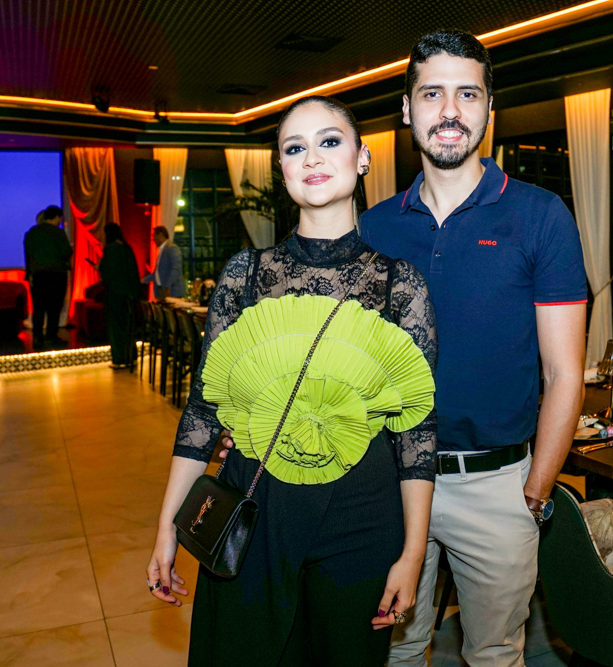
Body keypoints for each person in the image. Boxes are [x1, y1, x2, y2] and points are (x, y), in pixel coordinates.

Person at [146, 96, 438, 666]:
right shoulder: (244, 275)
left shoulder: (401, 286)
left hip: (362, 515)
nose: (313, 158)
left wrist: (412, 552)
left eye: (329, 141)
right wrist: (167, 526)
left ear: (362, 157)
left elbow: (417, 434)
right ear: (282, 170)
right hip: (254, 507)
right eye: (294, 148)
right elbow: (202, 413)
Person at [362, 30, 587, 667]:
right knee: (395, 653)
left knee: (493, 654)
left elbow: (564, 374)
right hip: (391, 479)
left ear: (491, 107)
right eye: (432, 93)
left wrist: (534, 493)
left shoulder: (541, 216)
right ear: (407, 109)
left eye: (467, 93)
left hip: (498, 487)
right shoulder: (374, 226)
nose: (450, 110)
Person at [23, 205, 72, 348]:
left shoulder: (32, 233)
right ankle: (51, 336)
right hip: (57, 274)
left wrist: (30, 274)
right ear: (56, 217)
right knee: (54, 307)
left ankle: (37, 337)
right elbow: (67, 252)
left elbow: (28, 255)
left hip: (38, 275)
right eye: (60, 219)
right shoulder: (58, 233)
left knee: (38, 307)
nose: (60, 221)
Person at [98, 223, 141, 370]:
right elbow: (134, 273)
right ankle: (131, 357)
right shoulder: (127, 248)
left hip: (114, 294)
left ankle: (119, 358)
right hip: (129, 295)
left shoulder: (110, 249)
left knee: (116, 328)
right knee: (128, 327)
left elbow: (106, 274)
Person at [143, 225, 186, 300]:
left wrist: (167, 286)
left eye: (154, 236)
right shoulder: (162, 250)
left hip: (171, 292)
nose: (153, 239)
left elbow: (176, 269)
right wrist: (144, 280)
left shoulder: (172, 248)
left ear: (160, 235)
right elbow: (157, 273)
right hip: (162, 291)